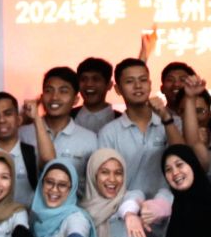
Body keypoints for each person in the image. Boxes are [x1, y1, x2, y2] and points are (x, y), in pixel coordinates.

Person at [97, 59, 175, 206]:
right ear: (117, 89)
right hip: (125, 210)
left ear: (150, 84)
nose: (138, 86)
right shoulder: (109, 133)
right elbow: (104, 180)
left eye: (143, 80)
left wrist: (166, 118)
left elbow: (183, 157)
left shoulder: (169, 122)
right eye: (130, 81)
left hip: (167, 208)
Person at [20, 67, 101, 174]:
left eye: (63, 91)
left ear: (75, 100)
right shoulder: (23, 134)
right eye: (49, 91)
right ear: (42, 97)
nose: (54, 97)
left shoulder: (90, 139)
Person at [72, 57, 121, 134]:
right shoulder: (66, 118)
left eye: (96, 79)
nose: (89, 84)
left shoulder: (121, 121)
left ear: (109, 85)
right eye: (83, 79)